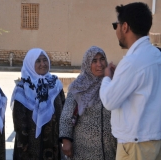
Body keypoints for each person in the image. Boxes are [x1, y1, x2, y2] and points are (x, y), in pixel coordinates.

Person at [100, 2, 161, 160]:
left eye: (116, 25)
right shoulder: (156, 55)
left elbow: (109, 100)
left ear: (125, 27)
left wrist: (107, 77)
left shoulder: (132, 62)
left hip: (135, 146)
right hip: (154, 142)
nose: (117, 30)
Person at [59, 46, 117, 160]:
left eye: (102, 59)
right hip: (84, 150)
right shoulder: (78, 86)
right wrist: (66, 141)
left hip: (110, 150)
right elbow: (66, 116)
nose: (99, 64)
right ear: (87, 63)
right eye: (94, 61)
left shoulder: (111, 83)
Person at [11, 48, 65, 160]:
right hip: (30, 147)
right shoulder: (22, 88)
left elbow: (64, 110)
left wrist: (63, 138)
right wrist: (23, 145)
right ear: (30, 63)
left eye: (45, 60)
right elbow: (19, 120)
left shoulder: (56, 84)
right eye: (38, 61)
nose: (43, 64)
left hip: (53, 143)